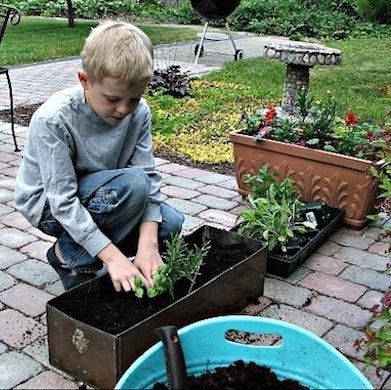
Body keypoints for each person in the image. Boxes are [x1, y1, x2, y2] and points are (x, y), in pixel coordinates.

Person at [14, 20, 184, 292]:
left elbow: (149, 176)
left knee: (170, 225)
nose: (123, 110)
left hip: (106, 193)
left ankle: (86, 248)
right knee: (133, 186)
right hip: (50, 206)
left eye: (133, 99)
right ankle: (68, 256)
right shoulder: (54, 120)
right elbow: (63, 202)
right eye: (112, 98)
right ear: (85, 80)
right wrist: (114, 258)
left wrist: (148, 245)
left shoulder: (139, 113)